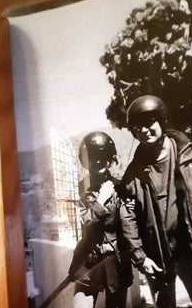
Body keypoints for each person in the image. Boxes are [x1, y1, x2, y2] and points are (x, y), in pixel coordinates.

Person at [120, 95, 192, 308]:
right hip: (159, 258)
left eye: (149, 123)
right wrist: (140, 256)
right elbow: (128, 218)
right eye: (138, 127)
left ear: (162, 120)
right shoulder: (132, 174)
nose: (144, 130)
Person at [68, 131, 133, 308]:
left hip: (117, 263)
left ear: (110, 159)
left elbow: (130, 224)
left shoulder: (122, 188)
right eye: (93, 157)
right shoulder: (80, 188)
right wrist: (101, 200)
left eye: (102, 156)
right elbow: (83, 222)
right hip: (88, 263)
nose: (98, 161)